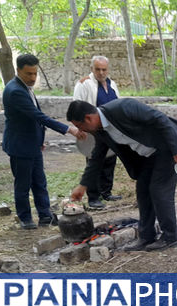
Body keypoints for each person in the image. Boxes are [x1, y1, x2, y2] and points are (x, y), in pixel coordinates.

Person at [66, 98, 177, 252]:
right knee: (143, 191)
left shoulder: (123, 107)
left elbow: (160, 118)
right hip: (148, 156)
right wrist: (82, 186)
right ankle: (146, 236)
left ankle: (170, 237)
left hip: (167, 149)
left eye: (80, 126)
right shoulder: (100, 131)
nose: (82, 131)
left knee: (159, 190)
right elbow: (96, 158)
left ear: (88, 118)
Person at [2, 54, 86, 230]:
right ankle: (25, 218)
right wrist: (68, 129)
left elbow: (33, 120)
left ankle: (45, 215)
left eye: (35, 73)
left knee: (39, 182)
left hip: (32, 144)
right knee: (23, 185)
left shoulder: (25, 87)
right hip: (20, 145)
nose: (33, 78)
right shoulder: (15, 90)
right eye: (28, 74)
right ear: (18, 71)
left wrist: (39, 140)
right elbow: (38, 116)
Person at [73, 55, 122, 210]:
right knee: (94, 162)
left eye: (104, 69)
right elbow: (76, 106)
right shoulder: (84, 84)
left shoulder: (112, 84)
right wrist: (80, 127)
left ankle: (106, 192)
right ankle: (93, 197)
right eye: (98, 69)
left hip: (110, 128)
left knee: (110, 161)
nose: (101, 72)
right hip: (93, 129)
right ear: (92, 69)